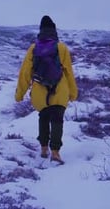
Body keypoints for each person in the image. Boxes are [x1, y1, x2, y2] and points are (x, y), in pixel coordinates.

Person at [15, 15, 78, 164]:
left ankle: (44, 148)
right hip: (59, 90)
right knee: (57, 120)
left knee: (43, 118)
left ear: (41, 31)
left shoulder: (33, 48)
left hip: (39, 92)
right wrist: (73, 93)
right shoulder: (61, 47)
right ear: (54, 31)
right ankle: (55, 152)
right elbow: (68, 72)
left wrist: (20, 94)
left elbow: (25, 73)